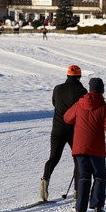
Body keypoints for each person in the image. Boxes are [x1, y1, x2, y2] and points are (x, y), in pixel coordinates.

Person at [64, 78, 106, 212]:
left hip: (80, 148)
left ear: (90, 89)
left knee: (84, 177)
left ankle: (80, 209)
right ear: (102, 90)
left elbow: (67, 118)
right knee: (99, 177)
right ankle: (97, 207)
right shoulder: (105, 107)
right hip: (97, 149)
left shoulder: (79, 104)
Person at [40, 65, 88, 201]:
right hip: (74, 130)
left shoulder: (57, 88)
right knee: (78, 160)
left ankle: (45, 180)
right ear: (79, 76)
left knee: (53, 158)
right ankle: (77, 191)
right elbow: (84, 109)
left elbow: (55, 104)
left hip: (57, 129)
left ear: (67, 75)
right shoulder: (81, 90)